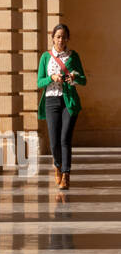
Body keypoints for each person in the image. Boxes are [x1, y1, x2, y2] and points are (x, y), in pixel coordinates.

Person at [37, 24, 86, 190]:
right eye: (58, 36)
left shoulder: (74, 56)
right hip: (51, 101)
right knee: (54, 141)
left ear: (68, 39)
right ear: (52, 38)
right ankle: (57, 165)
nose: (61, 40)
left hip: (69, 101)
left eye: (64, 37)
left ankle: (66, 174)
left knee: (65, 138)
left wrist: (73, 77)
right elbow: (39, 82)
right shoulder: (45, 57)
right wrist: (52, 77)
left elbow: (83, 79)